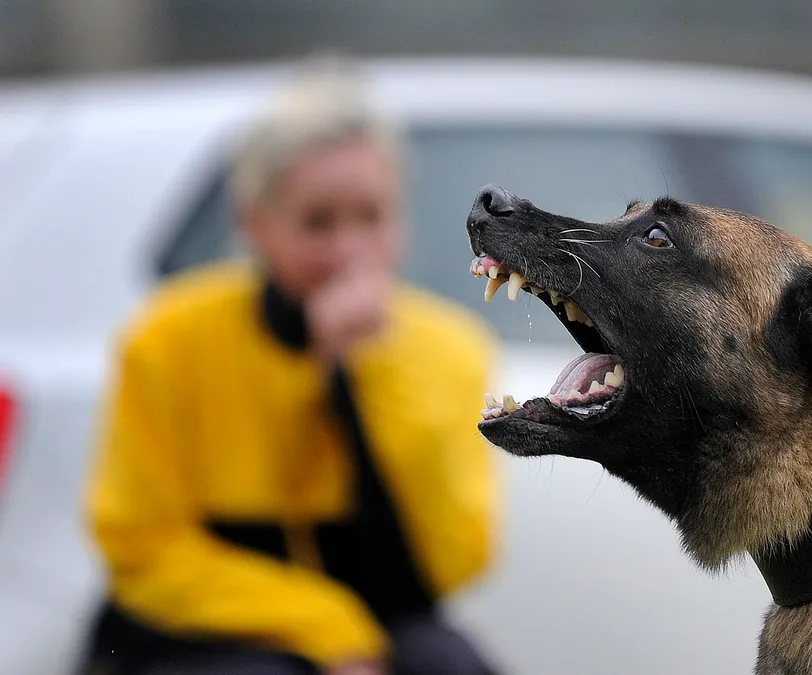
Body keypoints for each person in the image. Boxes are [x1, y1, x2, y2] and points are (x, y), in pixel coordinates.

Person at [83, 59, 500, 675]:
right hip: (199, 628)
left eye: (371, 217)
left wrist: (374, 370)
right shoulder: (167, 339)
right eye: (317, 223)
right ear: (256, 224)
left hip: (382, 610)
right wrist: (328, 629)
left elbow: (451, 559)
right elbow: (140, 548)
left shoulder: (448, 349)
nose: (348, 251)